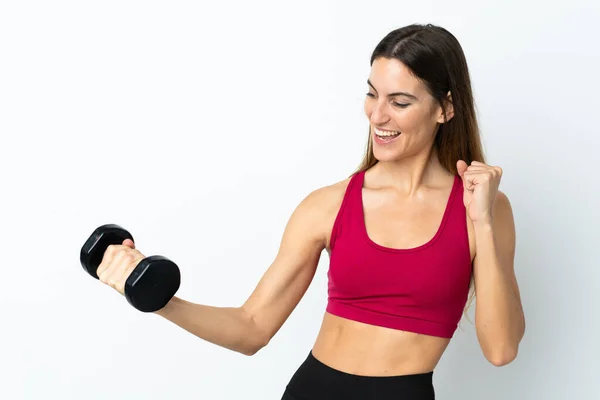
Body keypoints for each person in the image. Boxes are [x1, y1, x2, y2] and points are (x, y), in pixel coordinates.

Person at [95, 23, 526, 399]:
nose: (377, 115)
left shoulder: (483, 210)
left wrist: (482, 220)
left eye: (399, 101)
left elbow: (501, 350)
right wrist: (158, 299)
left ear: (445, 108)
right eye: (372, 94)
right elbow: (251, 328)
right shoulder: (328, 205)